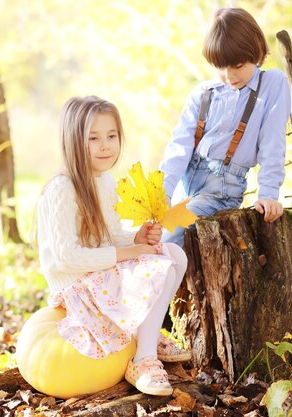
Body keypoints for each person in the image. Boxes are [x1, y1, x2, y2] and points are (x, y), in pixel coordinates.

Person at [36, 95, 190, 396]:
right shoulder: (62, 188)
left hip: (98, 275)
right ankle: (143, 359)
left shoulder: (104, 180)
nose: (105, 145)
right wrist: (129, 253)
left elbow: (108, 236)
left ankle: (149, 333)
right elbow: (67, 258)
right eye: (93, 138)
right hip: (76, 288)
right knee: (159, 267)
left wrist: (137, 239)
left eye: (111, 136)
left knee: (173, 254)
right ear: (73, 141)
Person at [160, 7, 292, 246]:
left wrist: (269, 194)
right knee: (149, 233)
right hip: (185, 187)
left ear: (257, 52)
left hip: (220, 191)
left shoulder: (272, 84)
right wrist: (164, 191)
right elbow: (179, 145)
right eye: (221, 67)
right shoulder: (203, 93)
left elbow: (273, 143)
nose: (229, 75)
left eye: (238, 65)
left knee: (169, 235)